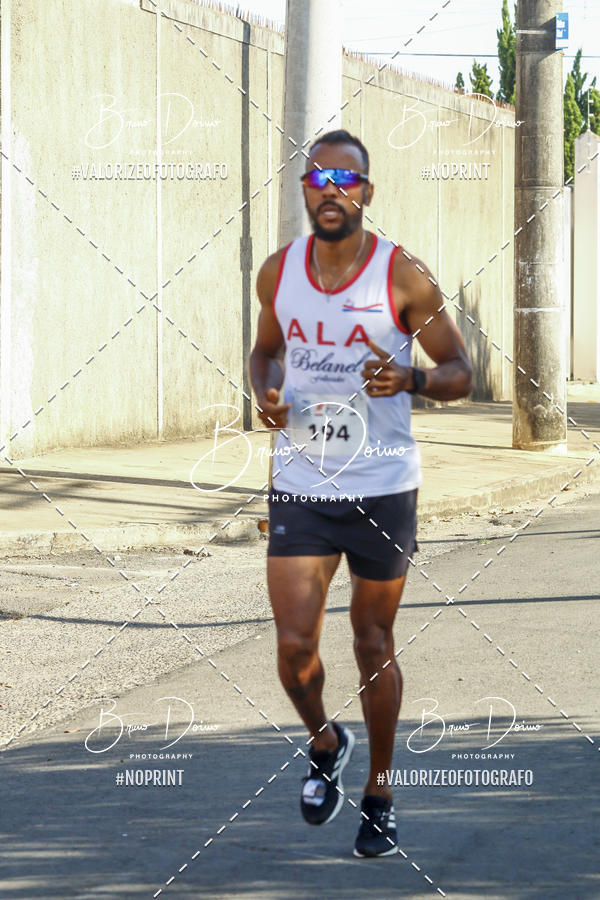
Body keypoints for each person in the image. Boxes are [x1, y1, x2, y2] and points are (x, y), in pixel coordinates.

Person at [249, 129, 472, 857]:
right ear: (305, 190)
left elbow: (460, 373)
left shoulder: (402, 276)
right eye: (319, 177)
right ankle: (325, 739)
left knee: (372, 642)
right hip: (303, 484)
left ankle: (379, 791)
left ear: (367, 193)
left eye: (347, 179)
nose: (332, 190)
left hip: (382, 487)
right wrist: (267, 391)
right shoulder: (277, 273)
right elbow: (264, 351)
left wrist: (409, 379)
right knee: (292, 649)